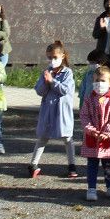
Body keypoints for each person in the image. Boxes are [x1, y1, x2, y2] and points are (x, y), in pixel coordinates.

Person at [30, 41, 77, 178]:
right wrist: (45, 82)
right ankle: (33, 164)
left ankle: (72, 165)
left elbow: (65, 90)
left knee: (67, 138)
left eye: (55, 57)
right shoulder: (46, 72)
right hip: (48, 110)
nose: (52, 60)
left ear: (62, 56)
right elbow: (39, 91)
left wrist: (52, 81)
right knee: (42, 137)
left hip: (62, 111)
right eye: (50, 58)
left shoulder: (68, 73)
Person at [80, 65, 110, 201]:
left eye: (102, 81)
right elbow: (84, 116)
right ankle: (91, 188)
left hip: (107, 138)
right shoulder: (88, 98)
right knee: (92, 164)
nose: (99, 84)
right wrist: (90, 130)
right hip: (93, 137)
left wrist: (108, 132)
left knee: (107, 164)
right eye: (96, 80)